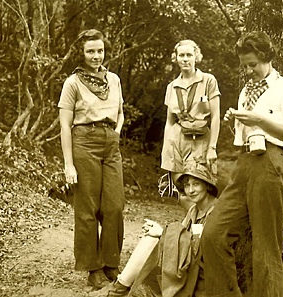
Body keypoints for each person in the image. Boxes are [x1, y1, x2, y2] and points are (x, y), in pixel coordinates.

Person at [200, 31, 283, 297]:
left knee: (265, 249)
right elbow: (247, 133)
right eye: (245, 65)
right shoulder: (247, 90)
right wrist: (234, 121)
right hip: (245, 163)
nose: (249, 70)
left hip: (272, 163)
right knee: (213, 234)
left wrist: (260, 120)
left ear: (267, 58)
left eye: (253, 64)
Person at [58, 29, 125, 289]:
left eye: (100, 50)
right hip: (83, 141)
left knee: (114, 205)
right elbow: (65, 126)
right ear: (82, 53)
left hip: (110, 143)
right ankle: (92, 268)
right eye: (90, 51)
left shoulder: (115, 80)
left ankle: (111, 262)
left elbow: (120, 111)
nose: (96, 56)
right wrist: (68, 164)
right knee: (86, 208)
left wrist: (116, 132)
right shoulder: (72, 83)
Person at [90, 161, 218, 297]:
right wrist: (161, 234)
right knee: (151, 238)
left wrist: (163, 233)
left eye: (196, 184)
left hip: (203, 272)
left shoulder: (217, 211)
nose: (191, 190)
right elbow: (182, 236)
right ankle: (119, 286)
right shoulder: (194, 209)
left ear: (207, 186)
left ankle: (119, 287)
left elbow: (204, 246)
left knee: (157, 238)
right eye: (187, 185)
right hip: (187, 263)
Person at [160, 39, 221, 210]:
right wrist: (166, 149)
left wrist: (212, 147)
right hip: (176, 140)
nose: (185, 59)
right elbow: (169, 122)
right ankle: (191, 230)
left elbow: (216, 116)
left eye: (189, 55)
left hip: (200, 139)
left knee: (201, 189)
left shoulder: (208, 81)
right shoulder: (172, 87)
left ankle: (204, 230)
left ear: (197, 57)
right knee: (183, 191)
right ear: (176, 58)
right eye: (181, 55)